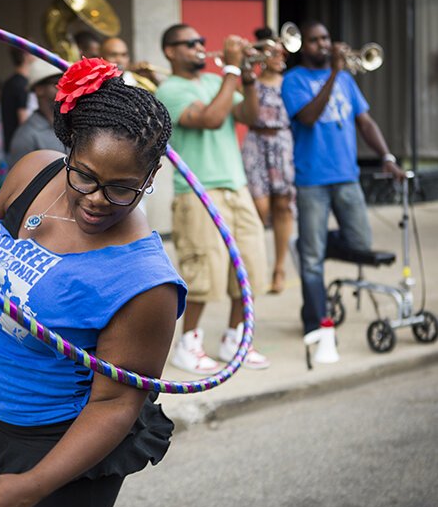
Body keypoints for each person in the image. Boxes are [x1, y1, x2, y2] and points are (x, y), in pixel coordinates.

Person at [0, 57, 186, 507]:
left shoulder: (144, 283)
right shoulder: (33, 173)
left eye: (123, 188)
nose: (96, 201)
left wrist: (33, 485)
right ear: (67, 150)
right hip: (10, 418)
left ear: (151, 176)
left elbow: (114, 405)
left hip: (68, 442)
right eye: (83, 176)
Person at [156, 23, 270, 374]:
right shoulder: (169, 89)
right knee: (204, 271)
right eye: (189, 43)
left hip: (237, 187)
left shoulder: (213, 82)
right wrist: (233, 70)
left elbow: (251, 116)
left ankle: (235, 338)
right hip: (198, 191)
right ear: (171, 51)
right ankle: (188, 344)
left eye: (202, 41)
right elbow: (209, 118)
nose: (200, 47)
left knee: (248, 269)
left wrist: (247, 79)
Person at [281, 20, 404, 335]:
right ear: (303, 46)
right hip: (312, 181)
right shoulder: (293, 80)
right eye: (314, 40)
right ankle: (316, 325)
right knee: (311, 262)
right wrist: (334, 72)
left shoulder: (347, 80)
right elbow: (307, 118)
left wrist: (387, 157)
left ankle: (311, 241)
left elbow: (365, 122)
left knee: (360, 243)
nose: (322, 44)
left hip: (346, 176)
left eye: (325, 38)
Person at [241, 27, 296, 294]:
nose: (280, 55)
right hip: (256, 143)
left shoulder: (291, 83)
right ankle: (258, 264)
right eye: (273, 51)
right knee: (259, 208)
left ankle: (280, 267)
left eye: (281, 50)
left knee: (284, 206)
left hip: (282, 142)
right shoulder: (252, 81)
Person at [6, 58, 65, 168]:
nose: (64, 87)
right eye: (57, 83)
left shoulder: (72, 125)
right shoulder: (25, 136)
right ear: (39, 90)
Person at [0, 48, 34, 153]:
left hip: (11, 143)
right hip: (23, 147)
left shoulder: (9, 83)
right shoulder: (22, 85)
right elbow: (23, 119)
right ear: (26, 55)